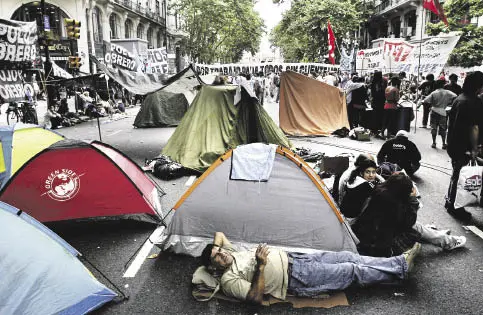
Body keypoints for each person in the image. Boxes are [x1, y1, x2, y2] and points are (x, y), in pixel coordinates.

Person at [200, 232, 421, 304]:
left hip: (298, 259)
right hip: (296, 278)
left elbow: (219, 235)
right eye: (217, 258)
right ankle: (399, 267)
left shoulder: (231, 253)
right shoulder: (228, 279)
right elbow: (255, 297)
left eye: (219, 251)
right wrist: (260, 266)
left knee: (347, 256)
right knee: (351, 270)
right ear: (214, 270)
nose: (222, 254)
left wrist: (214, 249)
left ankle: (398, 264)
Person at [445, 71, 483, 220]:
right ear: (478, 86)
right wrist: (474, 148)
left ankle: (450, 201)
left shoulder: (459, 98)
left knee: (456, 175)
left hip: (454, 144)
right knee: (461, 176)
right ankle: (455, 206)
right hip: (464, 147)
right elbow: (473, 127)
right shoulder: (473, 102)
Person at [422, 79, 457, 149]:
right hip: (443, 112)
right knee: (443, 128)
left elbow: (426, 100)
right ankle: (444, 144)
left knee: (434, 127)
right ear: (443, 85)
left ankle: (434, 143)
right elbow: (455, 96)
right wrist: (449, 102)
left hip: (434, 110)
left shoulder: (434, 93)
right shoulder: (447, 92)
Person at [370, 71, 387, 136]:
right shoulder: (383, 81)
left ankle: (375, 129)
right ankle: (378, 129)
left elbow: (373, 93)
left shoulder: (374, 81)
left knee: (375, 115)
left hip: (376, 101)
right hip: (381, 101)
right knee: (380, 115)